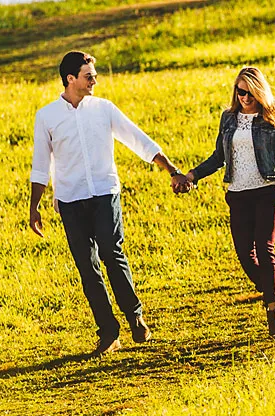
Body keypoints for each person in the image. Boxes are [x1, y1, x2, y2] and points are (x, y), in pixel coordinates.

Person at [29, 50, 192, 356]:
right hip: (70, 201)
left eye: (94, 75)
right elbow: (40, 165)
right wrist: (34, 206)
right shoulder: (47, 117)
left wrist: (171, 169)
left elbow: (138, 139)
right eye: (89, 76)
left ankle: (135, 316)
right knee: (87, 268)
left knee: (112, 253)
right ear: (71, 79)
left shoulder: (104, 109)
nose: (95, 81)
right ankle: (108, 333)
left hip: (105, 193)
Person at [178, 66, 275, 339]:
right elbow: (218, 157)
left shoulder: (274, 116)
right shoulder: (228, 118)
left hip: (268, 189)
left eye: (249, 91)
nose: (244, 97)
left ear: (259, 90)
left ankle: (273, 308)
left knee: (265, 245)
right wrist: (192, 175)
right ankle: (274, 293)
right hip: (238, 194)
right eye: (240, 91)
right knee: (244, 254)